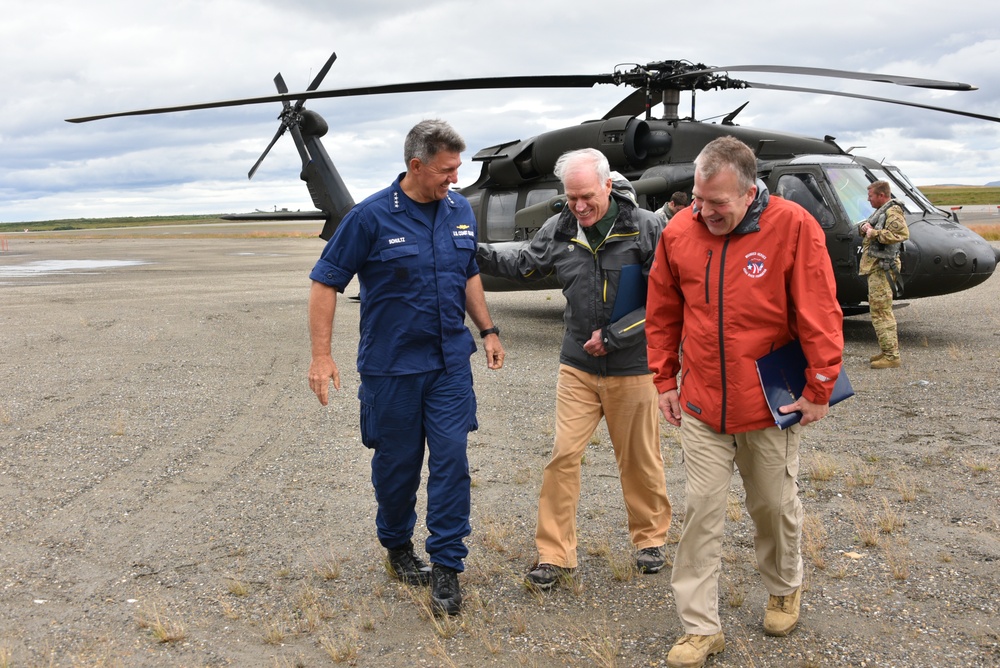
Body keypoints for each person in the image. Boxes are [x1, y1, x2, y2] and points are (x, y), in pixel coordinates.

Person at [645, 136, 843, 668]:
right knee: (701, 511)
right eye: (698, 199)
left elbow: (820, 309)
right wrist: (665, 379)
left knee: (773, 507)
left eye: (718, 204)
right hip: (704, 406)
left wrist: (820, 387)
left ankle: (784, 585)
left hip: (769, 406)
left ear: (750, 191)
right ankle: (700, 627)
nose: (704, 212)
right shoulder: (680, 230)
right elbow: (662, 310)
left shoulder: (794, 227)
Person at [307, 119, 505, 617]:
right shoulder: (369, 217)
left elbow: (469, 273)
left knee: (452, 461)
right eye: (446, 169)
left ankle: (446, 567)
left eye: (457, 168)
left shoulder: (459, 210)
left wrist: (488, 330)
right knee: (397, 469)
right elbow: (325, 282)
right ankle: (397, 546)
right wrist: (321, 355)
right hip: (391, 369)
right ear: (416, 165)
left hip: (448, 367)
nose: (454, 179)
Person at [477, 148, 672, 590]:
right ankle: (555, 555)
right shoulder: (561, 226)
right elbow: (524, 263)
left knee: (640, 460)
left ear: (607, 185)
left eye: (586, 196)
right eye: (571, 198)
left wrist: (616, 336)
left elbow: (665, 300)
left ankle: (649, 539)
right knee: (563, 457)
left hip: (632, 367)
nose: (579, 206)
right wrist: (471, 250)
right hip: (577, 367)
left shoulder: (645, 227)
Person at [858, 180, 909, 369]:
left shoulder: (892, 211)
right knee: (879, 310)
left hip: (883, 267)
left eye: (871, 196)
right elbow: (870, 226)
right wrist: (865, 227)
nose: (868, 199)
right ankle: (886, 349)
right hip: (877, 267)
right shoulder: (882, 211)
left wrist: (873, 233)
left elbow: (901, 234)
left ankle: (891, 356)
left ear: (881, 195)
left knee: (881, 311)